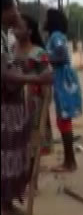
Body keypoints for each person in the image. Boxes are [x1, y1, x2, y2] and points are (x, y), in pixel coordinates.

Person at [1, 0, 53, 215]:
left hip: (14, 104)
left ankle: (7, 202)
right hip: (4, 103)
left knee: (14, 155)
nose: (18, 12)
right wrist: (36, 79)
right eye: (15, 7)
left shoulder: (7, 37)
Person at [44, 8, 82, 172]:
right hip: (62, 79)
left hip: (63, 80)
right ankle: (69, 160)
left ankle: (70, 162)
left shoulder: (56, 36)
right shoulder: (56, 36)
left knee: (64, 120)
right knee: (63, 120)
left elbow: (62, 56)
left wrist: (44, 58)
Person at [14, 14, 53, 158]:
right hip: (13, 104)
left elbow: (47, 82)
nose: (15, 30)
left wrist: (44, 109)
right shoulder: (11, 50)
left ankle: (31, 176)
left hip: (33, 104)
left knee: (32, 148)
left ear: (29, 31)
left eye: (19, 27)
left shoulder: (39, 53)